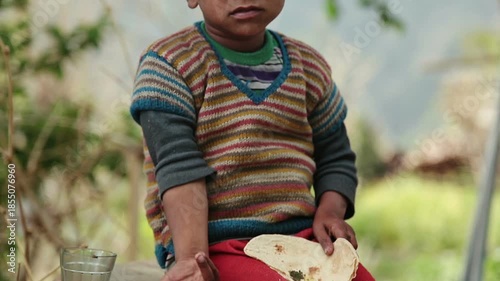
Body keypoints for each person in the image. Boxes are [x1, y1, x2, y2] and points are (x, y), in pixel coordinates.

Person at [130, 0, 375, 280]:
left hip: (303, 240)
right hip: (215, 244)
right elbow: (179, 168)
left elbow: (335, 157)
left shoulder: (310, 68)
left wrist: (330, 213)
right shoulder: (169, 64)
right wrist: (190, 261)